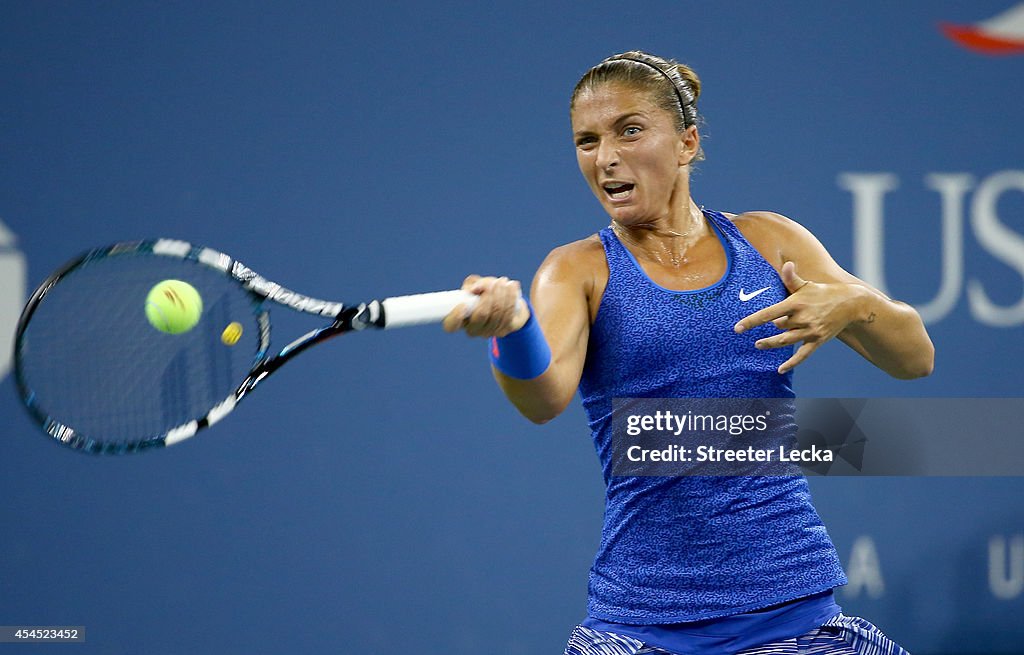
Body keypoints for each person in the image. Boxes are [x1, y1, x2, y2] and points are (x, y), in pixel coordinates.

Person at [443, 51, 934, 655]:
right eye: (587, 141)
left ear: (686, 143)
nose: (606, 158)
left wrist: (853, 306)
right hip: (640, 628)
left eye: (630, 130)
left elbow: (914, 356)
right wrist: (511, 327)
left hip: (795, 618)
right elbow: (542, 399)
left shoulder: (769, 239)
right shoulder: (575, 270)